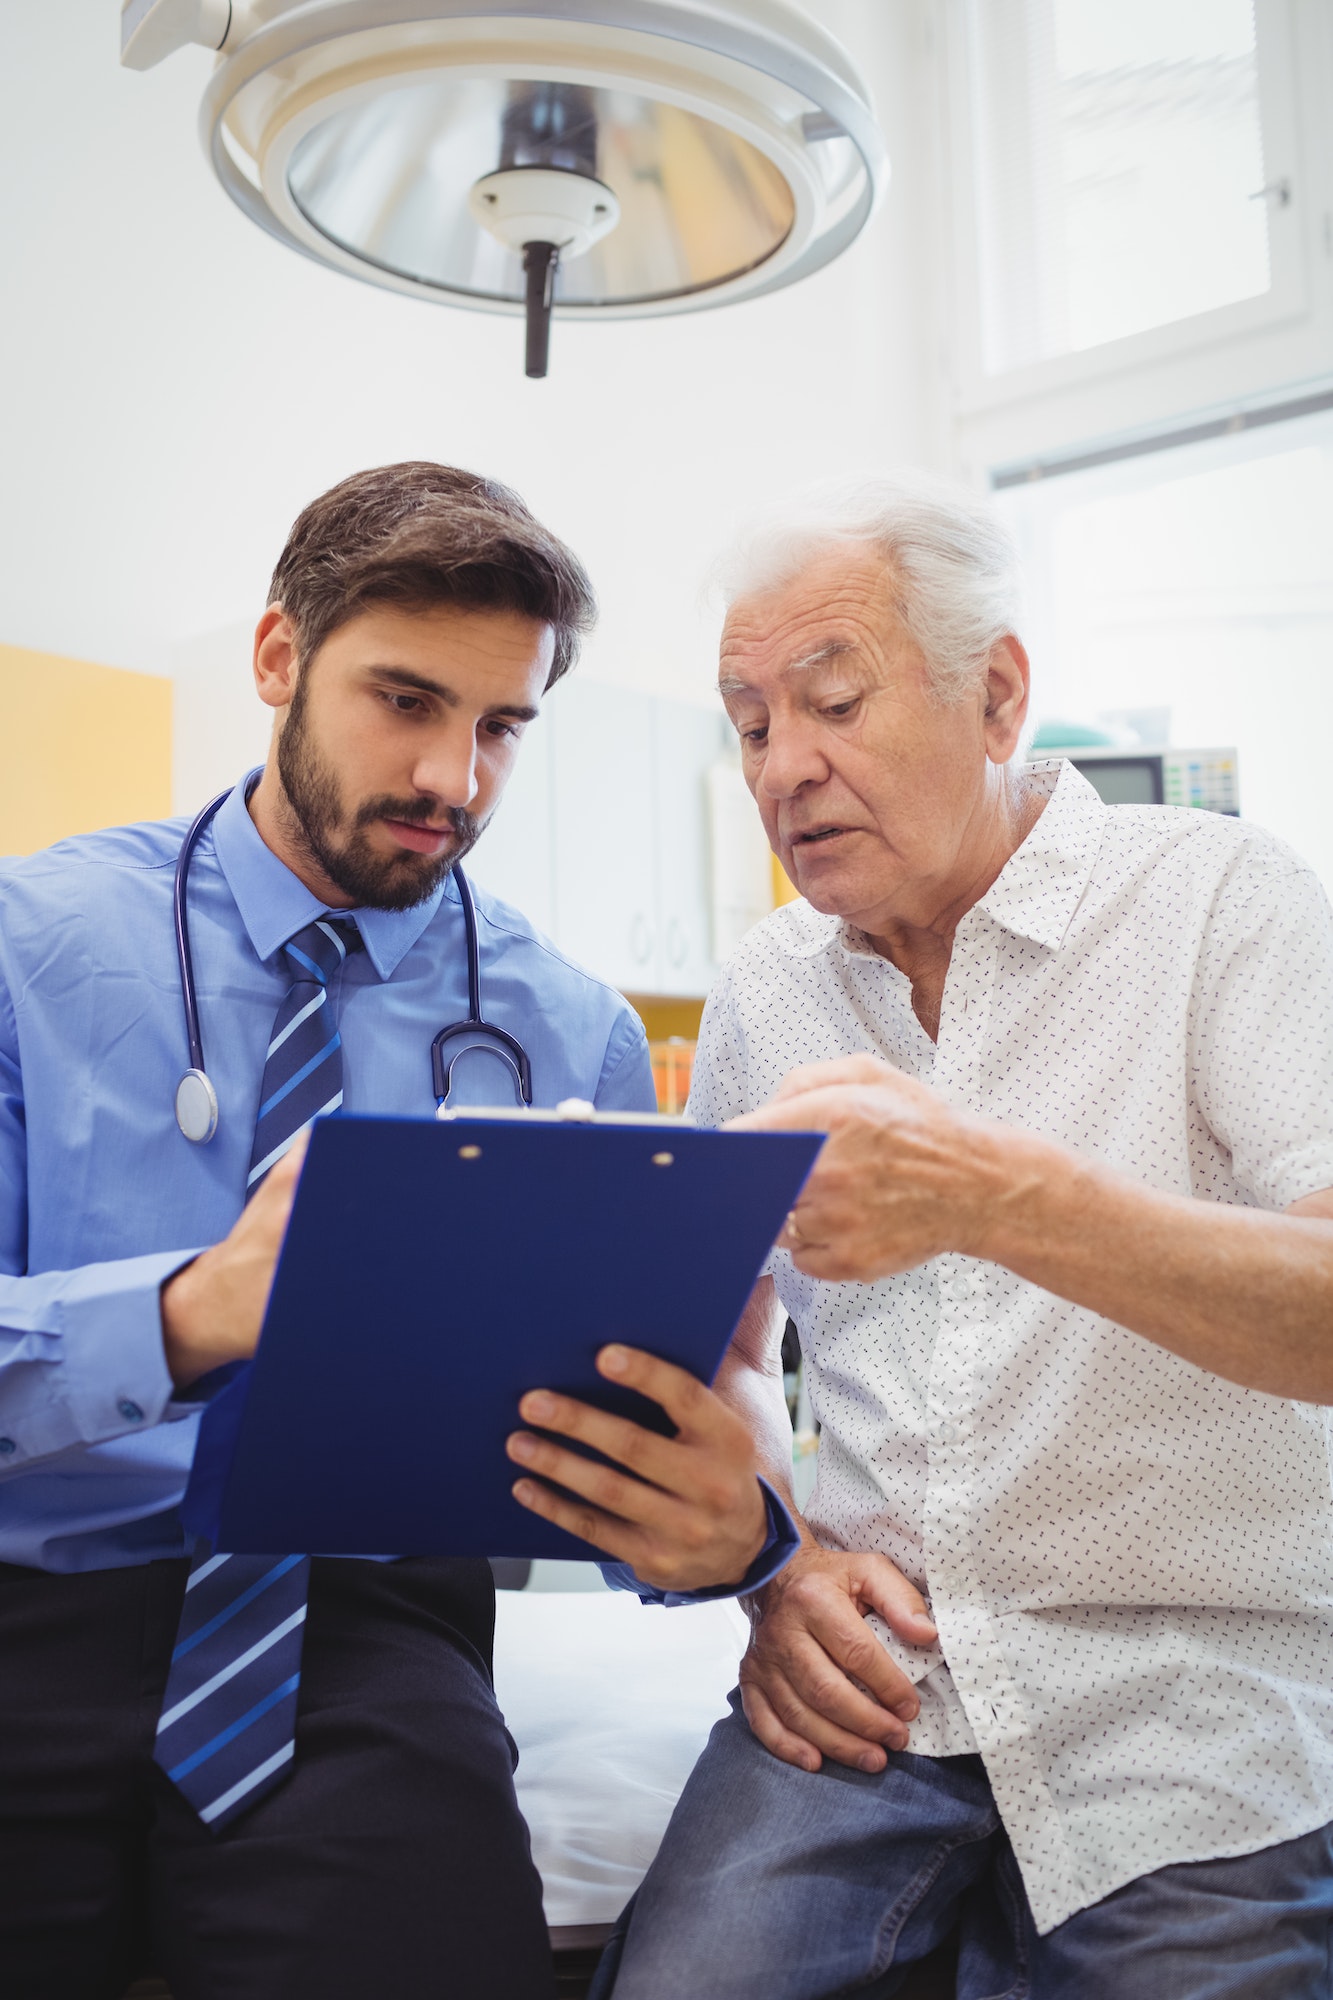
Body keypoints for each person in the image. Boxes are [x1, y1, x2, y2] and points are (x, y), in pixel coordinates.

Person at [0, 462, 796, 2000]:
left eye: (501, 726)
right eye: (405, 700)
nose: (454, 777)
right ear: (278, 660)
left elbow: (641, 1431)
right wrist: (192, 1310)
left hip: (359, 1632)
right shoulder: (31, 951)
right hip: (32, 1601)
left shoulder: (573, 1035)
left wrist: (720, 1526)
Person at [592, 476, 1333, 1999]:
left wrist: (991, 1199)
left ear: (995, 697)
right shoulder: (763, 992)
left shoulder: (1217, 902)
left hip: (1192, 1704)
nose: (783, 767)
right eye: (746, 725)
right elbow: (726, 1361)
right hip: (875, 1696)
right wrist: (773, 1569)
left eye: (834, 701)